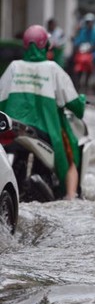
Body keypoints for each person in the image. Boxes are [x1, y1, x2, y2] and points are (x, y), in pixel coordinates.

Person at [0, 25, 86, 200]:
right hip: (46, 132)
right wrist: (82, 101)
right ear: (45, 45)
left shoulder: (14, 67)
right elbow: (75, 105)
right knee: (71, 156)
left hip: (14, 129)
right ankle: (71, 197)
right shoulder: (53, 69)